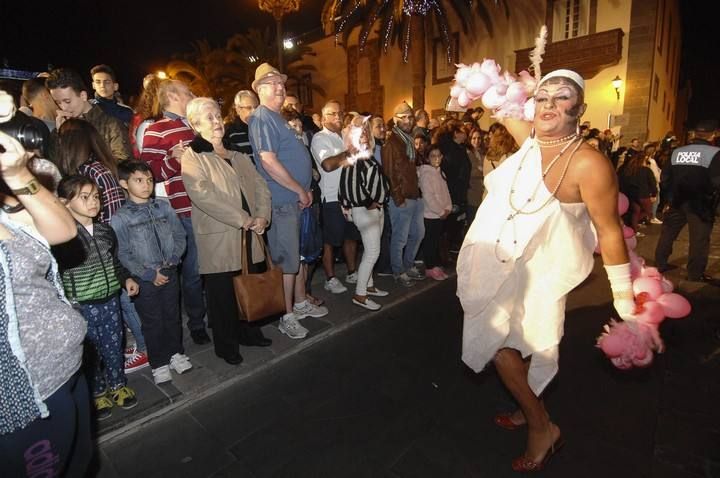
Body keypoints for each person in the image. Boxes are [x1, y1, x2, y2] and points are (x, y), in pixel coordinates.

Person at [457, 69, 634, 472]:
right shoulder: (530, 140)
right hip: (501, 262)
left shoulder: (589, 164)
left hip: (544, 271)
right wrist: (471, 81)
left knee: (517, 344)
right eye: (543, 97)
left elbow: (609, 231)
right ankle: (531, 408)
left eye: (562, 97)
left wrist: (626, 299)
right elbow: (493, 98)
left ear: (580, 108)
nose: (550, 104)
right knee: (503, 340)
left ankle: (541, 426)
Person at [0, 91, 91, 476]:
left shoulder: (16, 188)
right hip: (24, 397)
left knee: (80, 463)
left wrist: (18, 174)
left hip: (66, 370)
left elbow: (64, 230)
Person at [181, 97, 272, 365]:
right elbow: (202, 195)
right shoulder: (193, 155)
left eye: (218, 115)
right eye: (209, 117)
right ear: (195, 124)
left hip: (251, 233)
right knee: (222, 296)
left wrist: (263, 216)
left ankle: (250, 332)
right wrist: (242, 218)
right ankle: (226, 345)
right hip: (220, 236)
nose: (217, 121)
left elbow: (260, 186)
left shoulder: (237, 152)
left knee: (250, 285)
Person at [56, 118, 149, 373]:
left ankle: (144, 348)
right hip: (113, 239)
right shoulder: (100, 166)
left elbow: (108, 211)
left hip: (108, 242)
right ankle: (139, 345)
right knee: (122, 301)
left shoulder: (91, 171)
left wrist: (101, 240)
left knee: (123, 300)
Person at [248, 63, 328, 340]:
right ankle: (287, 315)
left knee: (295, 258)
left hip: (293, 200)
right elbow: (269, 162)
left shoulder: (277, 117)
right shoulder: (261, 118)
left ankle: (299, 302)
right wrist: (299, 190)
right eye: (272, 83)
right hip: (283, 201)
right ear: (258, 89)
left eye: (282, 83)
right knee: (286, 260)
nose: (280, 87)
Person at [54, 176, 139, 420]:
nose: (93, 202)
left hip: (110, 300)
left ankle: (118, 385)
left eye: (95, 197)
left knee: (114, 346)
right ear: (65, 202)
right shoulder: (62, 238)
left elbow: (114, 261)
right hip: (81, 305)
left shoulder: (104, 230)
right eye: (84, 197)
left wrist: (126, 279)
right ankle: (98, 391)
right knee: (91, 353)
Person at [140, 80, 210, 345]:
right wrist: (173, 159)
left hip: (211, 205)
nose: (193, 95)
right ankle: (196, 324)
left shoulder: (197, 124)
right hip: (184, 209)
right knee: (192, 271)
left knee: (211, 268)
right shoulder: (155, 128)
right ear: (171, 95)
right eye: (188, 92)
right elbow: (148, 173)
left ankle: (214, 315)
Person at [111, 160, 191, 385]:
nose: (146, 185)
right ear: (124, 183)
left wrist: (173, 260)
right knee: (152, 321)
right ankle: (159, 362)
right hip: (145, 278)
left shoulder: (164, 207)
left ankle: (176, 353)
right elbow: (123, 253)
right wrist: (148, 274)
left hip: (169, 270)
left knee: (172, 316)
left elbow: (179, 235)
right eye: (138, 180)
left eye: (149, 180)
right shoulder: (121, 218)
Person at [334, 115, 390, 310]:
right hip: (365, 211)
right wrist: (369, 202)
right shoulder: (353, 155)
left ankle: (369, 285)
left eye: (366, 130)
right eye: (360, 131)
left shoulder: (367, 154)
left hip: (375, 209)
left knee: (370, 249)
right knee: (373, 251)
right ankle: (360, 294)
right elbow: (347, 187)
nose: (364, 134)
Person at [655, 120, 720, 282]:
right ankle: (694, 274)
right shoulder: (715, 153)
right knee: (699, 239)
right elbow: (717, 181)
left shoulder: (678, 151)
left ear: (694, 134)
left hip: (677, 200)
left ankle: (659, 264)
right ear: (712, 135)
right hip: (701, 203)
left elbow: (665, 177)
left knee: (668, 233)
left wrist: (668, 197)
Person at [311, 100, 361, 295]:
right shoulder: (319, 138)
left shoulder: (343, 137)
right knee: (330, 240)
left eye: (340, 113)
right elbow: (327, 165)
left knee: (351, 236)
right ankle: (330, 278)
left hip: (349, 195)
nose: (338, 116)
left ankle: (351, 271)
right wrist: (348, 152)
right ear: (323, 118)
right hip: (331, 197)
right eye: (333, 114)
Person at [382, 102, 426, 287]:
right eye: (403, 117)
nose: (407, 120)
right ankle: (398, 271)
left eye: (410, 117)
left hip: (414, 195)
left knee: (417, 234)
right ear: (395, 120)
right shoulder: (392, 142)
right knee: (400, 238)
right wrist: (398, 198)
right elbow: (390, 172)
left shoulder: (407, 140)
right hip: (402, 198)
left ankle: (407, 266)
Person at [45, 68, 132, 161]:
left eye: (67, 101)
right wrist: (61, 136)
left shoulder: (111, 125)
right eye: (58, 102)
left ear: (83, 96)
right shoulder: (60, 128)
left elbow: (123, 162)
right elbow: (56, 166)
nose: (63, 107)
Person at [418, 144, 451, 280]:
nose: (436, 159)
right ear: (427, 158)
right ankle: (430, 267)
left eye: (439, 156)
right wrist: (440, 211)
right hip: (431, 215)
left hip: (441, 214)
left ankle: (436, 265)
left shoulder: (440, 172)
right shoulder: (426, 174)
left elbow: (446, 192)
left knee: (436, 240)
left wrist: (448, 207)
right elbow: (428, 196)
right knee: (430, 242)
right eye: (433, 156)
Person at [617, 149, 657, 235]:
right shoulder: (646, 170)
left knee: (636, 212)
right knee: (648, 212)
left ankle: (633, 228)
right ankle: (632, 225)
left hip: (632, 194)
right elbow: (653, 183)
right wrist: (654, 194)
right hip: (643, 195)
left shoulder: (629, 169)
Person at [224, 89, 258, 162]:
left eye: (256, 107)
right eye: (249, 108)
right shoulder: (229, 131)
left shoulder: (264, 128)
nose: (254, 111)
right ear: (238, 110)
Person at [467, 127, 485, 225]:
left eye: (479, 138)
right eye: (474, 138)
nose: (477, 141)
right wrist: (481, 171)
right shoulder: (468, 153)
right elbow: (471, 172)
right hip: (472, 191)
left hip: (482, 191)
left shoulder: (483, 152)